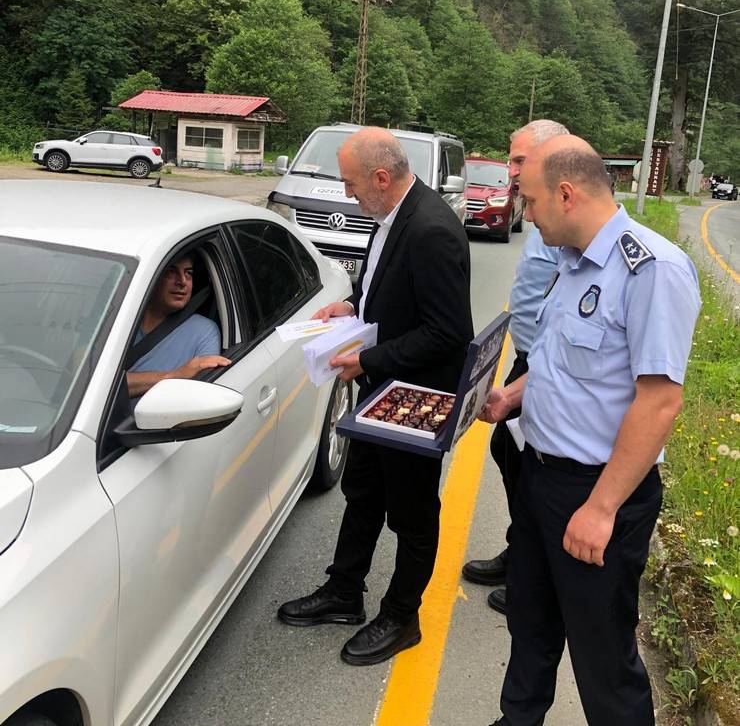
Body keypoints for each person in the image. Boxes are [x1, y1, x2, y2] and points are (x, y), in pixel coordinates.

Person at [482, 135, 700, 726]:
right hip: (541, 481)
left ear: (566, 193)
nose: (527, 215)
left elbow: (659, 402)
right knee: (529, 624)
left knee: (603, 659)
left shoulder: (651, 269)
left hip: (597, 495)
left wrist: (601, 509)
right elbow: (559, 363)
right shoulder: (573, 262)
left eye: (529, 201)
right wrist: (511, 397)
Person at [277, 126, 474, 666]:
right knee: (363, 490)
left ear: (381, 177)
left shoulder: (432, 229)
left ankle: (401, 614)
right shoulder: (392, 214)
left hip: (415, 396)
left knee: (412, 513)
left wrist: (367, 358)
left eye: (351, 184)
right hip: (382, 386)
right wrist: (354, 308)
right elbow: (388, 283)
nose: (347, 194)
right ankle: (344, 592)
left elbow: (447, 332)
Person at [462, 120, 567, 616]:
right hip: (528, 356)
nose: (511, 169)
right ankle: (520, 551)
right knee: (509, 450)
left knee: (535, 468)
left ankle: (535, 575)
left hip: (551, 367)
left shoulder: (571, 218)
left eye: (520, 160)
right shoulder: (540, 209)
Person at [126, 253, 230, 398]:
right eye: (171, 271)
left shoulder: (205, 331)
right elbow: (96, 386)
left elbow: (198, 397)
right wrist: (176, 375)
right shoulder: (120, 324)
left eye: (188, 273)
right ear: (150, 279)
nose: (182, 281)